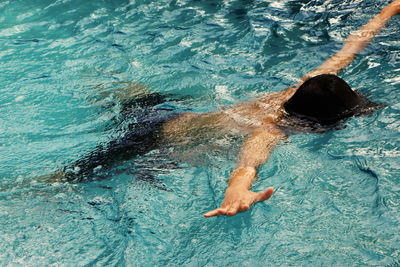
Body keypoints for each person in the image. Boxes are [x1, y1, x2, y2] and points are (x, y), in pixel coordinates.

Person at [60, 0, 400, 217]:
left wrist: (388, 11)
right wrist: (237, 191)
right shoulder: (271, 129)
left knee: (119, 93)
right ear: (322, 123)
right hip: (150, 141)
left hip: (170, 116)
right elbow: (248, 163)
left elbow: (350, 48)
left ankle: (82, 77)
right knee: (65, 182)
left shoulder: (302, 86)